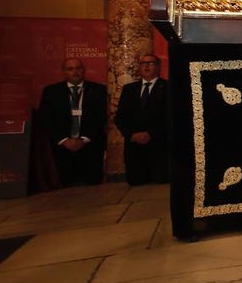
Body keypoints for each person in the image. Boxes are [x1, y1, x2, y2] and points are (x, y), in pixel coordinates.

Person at [37, 57, 107, 187]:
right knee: (66, 185)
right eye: (70, 69)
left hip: (90, 146)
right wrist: (64, 140)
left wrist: (84, 139)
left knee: (93, 184)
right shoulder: (51, 92)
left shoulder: (99, 90)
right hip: (63, 148)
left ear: (84, 70)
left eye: (78, 68)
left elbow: (101, 118)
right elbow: (46, 119)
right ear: (63, 72)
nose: (75, 72)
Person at [113, 54, 170, 186]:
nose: (147, 66)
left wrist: (150, 134)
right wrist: (132, 134)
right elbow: (120, 117)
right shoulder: (129, 89)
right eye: (143, 63)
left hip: (159, 147)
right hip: (134, 149)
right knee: (136, 183)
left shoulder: (168, 87)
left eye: (151, 63)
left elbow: (170, 118)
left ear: (158, 66)